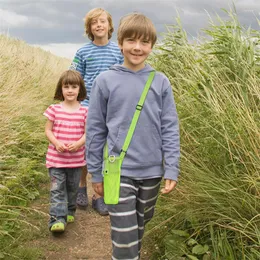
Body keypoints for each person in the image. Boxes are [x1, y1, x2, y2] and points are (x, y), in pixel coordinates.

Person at [86, 13, 180, 259]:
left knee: (138, 227)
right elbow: (95, 129)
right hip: (119, 172)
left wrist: (171, 167)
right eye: (131, 41)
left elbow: (170, 127)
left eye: (144, 42)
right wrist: (95, 171)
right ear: (120, 42)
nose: (137, 47)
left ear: (152, 46)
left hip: (152, 173)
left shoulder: (160, 82)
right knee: (125, 238)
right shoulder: (105, 80)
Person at [70, 7, 124, 215]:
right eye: (94, 23)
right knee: (86, 150)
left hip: (111, 109)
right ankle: (82, 187)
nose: (99, 25)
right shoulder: (83, 52)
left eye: (103, 21)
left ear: (110, 26)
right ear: (89, 28)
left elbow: (122, 78)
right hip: (87, 107)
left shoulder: (117, 51)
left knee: (106, 151)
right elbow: (74, 78)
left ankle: (98, 195)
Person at [44, 70, 88, 233]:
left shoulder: (84, 111)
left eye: (74, 86)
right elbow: (48, 130)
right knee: (57, 189)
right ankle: (57, 219)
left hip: (76, 161)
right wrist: (56, 143)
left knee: (72, 188)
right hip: (56, 160)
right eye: (66, 86)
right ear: (60, 89)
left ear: (80, 90)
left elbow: (87, 133)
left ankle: (70, 210)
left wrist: (78, 143)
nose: (70, 90)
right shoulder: (54, 109)